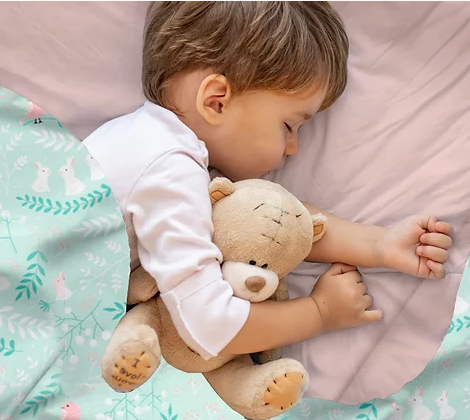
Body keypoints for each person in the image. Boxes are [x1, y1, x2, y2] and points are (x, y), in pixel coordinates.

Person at [83, 1, 454, 360]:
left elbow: (270, 222)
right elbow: (208, 324)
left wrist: (379, 245)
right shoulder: (168, 169)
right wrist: (320, 313)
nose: (294, 149)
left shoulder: (153, 147)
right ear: (216, 102)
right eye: (289, 126)